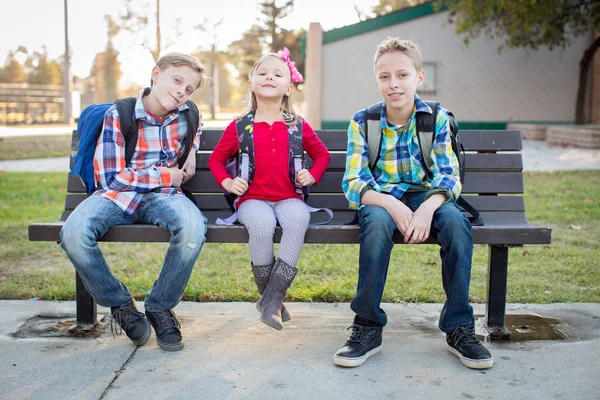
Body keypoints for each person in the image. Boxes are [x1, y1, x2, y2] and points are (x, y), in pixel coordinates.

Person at [333, 38, 493, 369]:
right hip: (380, 194)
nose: (394, 84)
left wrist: (426, 207)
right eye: (385, 76)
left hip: (427, 194)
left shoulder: (434, 118)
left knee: (456, 224)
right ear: (377, 79)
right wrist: (392, 205)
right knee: (376, 225)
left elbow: (448, 175)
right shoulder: (363, 122)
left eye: (402, 75)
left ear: (419, 77)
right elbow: (354, 183)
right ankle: (367, 326)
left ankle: (459, 327)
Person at [60, 53, 208, 352]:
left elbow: (196, 131)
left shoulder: (188, 114)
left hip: (163, 197)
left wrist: (191, 150)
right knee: (73, 234)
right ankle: (120, 304)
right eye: (176, 80)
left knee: (193, 228)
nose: (182, 91)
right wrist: (166, 175)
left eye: (189, 88)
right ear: (156, 74)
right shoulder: (120, 113)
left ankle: (160, 306)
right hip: (117, 195)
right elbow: (112, 178)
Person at [208, 48, 331, 330]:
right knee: (262, 225)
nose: (269, 77)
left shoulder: (297, 126)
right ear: (251, 84)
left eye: (277, 74)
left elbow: (323, 156)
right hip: (252, 199)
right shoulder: (241, 128)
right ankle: (271, 300)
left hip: (289, 197)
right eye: (262, 73)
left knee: (299, 219)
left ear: (288, 88)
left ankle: (271, 301)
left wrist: (312, 175)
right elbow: (216, 159)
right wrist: (227, 182)